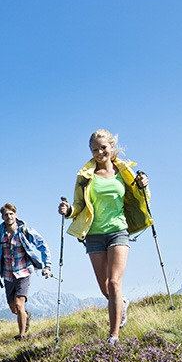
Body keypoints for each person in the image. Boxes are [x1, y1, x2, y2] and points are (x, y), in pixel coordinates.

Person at [57, 129, 149, 345]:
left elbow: (138, 194)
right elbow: (79, 205)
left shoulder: (123, 172)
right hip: (94, 234)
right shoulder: (85, 177)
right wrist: (68, 210)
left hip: (118, 230)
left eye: (103, 148)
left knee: (115, 282)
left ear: (112, 147)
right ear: (91, 151)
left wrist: (144, 185)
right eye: (95, 149)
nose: (100, 152)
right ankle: (121, 304)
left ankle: (113, 336)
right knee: (105, 287)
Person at [0, 203, 52, 340]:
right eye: (6, 214)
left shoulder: (25, 230)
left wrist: (47, 265)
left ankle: (22, 335)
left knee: (19, 304)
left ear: (15, 214)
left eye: (11, 214)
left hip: (24, 271)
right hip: (7, 274)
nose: (9, 217)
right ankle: (25, 316)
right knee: (13, 308)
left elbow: (42, 245)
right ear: (2, 217)